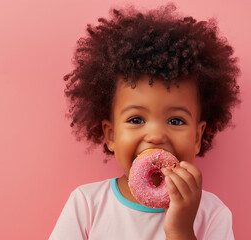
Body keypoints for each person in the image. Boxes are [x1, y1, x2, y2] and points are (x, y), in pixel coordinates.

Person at [50, 3, 240, 240]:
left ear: (198, 137)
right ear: (111, 135)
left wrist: (181, 230)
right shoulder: (87, 205)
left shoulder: (211, 214)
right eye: (136, 119)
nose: (156, 135)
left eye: (176, 120)